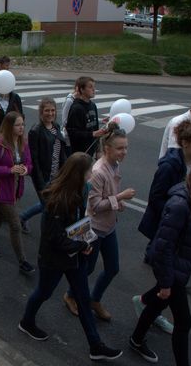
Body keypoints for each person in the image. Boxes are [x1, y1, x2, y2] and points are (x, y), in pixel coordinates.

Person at [18, 152, 123, 362]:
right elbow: (54, 238)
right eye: (88, 172)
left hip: (74, 257)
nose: (91, 175)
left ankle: (96, 345)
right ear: (78, 174)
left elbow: (78, 221)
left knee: (83, 299)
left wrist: (86, 239)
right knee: (43, 292)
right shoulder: (57, 200)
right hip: (54, 259)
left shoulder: (81, 189)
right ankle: (27, 322)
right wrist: (82, 244)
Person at [129, 160, 191, 365]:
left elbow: (187, 236)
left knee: (156, 304)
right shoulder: (181, 205)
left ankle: (136, 340)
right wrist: (165, 282)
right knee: (184, 322)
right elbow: (163, 246)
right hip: (171, 269)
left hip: (176, 266)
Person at [134, 121, 191, 335]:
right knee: (169, 280)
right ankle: (144, 321)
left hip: (177, 228)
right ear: (185, 143)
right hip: (166, 228)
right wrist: (177, 215)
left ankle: (145, 305)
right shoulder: (170, 166)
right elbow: (156, 198)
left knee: (168, 279)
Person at [64, 122, 135, 321]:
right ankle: (70, 295)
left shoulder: (115, 164)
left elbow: (108, 196)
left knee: (113, 268)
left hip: (109, 226)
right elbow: (94, 206)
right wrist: (119, 198)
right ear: (107, 149)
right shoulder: (98, 172)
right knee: (87, 268)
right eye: (120, 148)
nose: (124, 152)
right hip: (93, 227)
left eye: (126, 147)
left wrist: (117, 202)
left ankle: (94, 299)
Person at [0, 111, 35, 275]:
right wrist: (10, 170)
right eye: (18, 125)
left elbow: (29, 163)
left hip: (16, 189)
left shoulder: (22, 143)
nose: (21, 128)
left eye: (22, 124)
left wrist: (25, 169)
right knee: (15, 225)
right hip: (2, 191)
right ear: (9, 126)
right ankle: (22, 261)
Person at [19, 98, 69, 234]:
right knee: (48, 206)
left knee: (46, 204)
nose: (50, 113)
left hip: (56, 174)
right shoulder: (36, 131)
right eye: (47, 110)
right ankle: (47, 236)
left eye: (53, 110)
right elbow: (34, 159)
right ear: (41, 112)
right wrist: (40, 182)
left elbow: (61, 152)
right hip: (43, 175)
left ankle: (22, 217)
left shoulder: (56, 127)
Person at [66, 76, 105, 156]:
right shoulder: (76, 108)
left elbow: (96, 128)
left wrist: (98, 150)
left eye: (94, 87)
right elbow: (72, 132)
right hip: (79, 153)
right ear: (82, 89)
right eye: (90, 87)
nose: (94, 89)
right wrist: (92, 134)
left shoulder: (93, 105)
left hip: (91, 152)